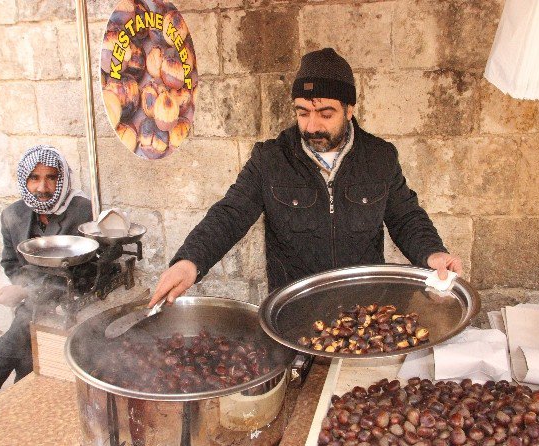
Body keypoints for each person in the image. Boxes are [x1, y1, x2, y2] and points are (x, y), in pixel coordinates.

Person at [149, 48, 462, 307]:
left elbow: (407, 218)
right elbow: (229, 215)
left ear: (349, 109)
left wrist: (432, 254)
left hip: (366, 307)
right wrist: (190, 262)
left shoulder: (380, 157)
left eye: (325, 114)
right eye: (302, 112)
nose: (312, 126)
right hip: (294, 308)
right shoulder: (269, 159)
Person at [0, 145, 92, 421]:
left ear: (62, 178)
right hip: (33, 302)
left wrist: (26, 289)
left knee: (10, 347)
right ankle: (9, 406)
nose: (43, 187)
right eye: (34, 178)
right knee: (22, 352)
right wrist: (19, 288)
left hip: (72, 299)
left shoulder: (82, 211)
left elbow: (83, 270)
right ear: (24, 180)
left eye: (51, 177)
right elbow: (10, 263)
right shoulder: (12, 215)